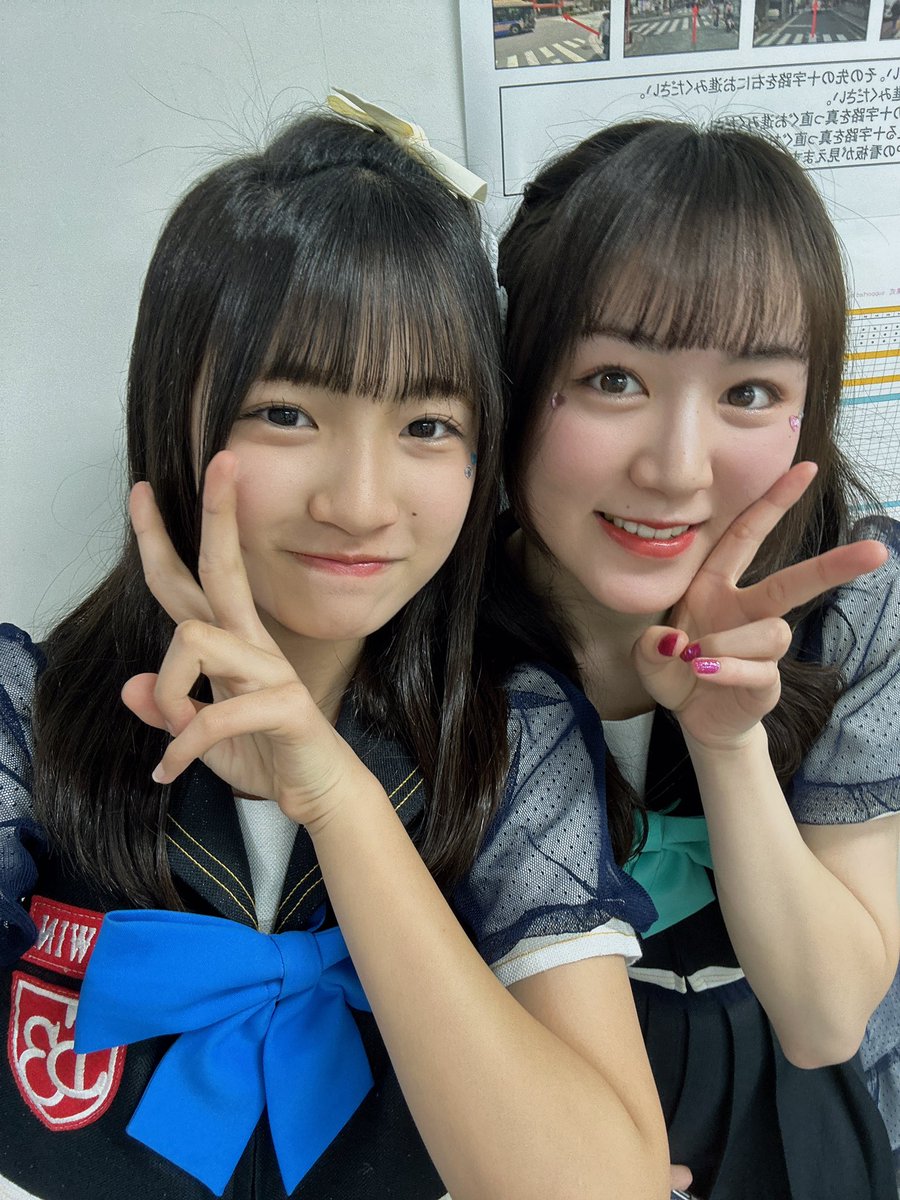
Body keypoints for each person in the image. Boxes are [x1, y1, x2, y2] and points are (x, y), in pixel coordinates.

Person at [0, 104, 670, 1199]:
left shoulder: (509, 736)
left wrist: (339, 800)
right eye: (286, 413)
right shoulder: (24, 721)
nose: (360, 503)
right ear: (174, 414)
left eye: (427, 426)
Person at [489, 118, 900, 1197]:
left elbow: (826, 1018)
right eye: (613, 378)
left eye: (749, 393)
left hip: (797, 1099)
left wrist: (728, 742)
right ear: (515, 375)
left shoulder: (853, 603)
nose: (676, 470)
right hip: (536, 1093)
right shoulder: (437, 620)